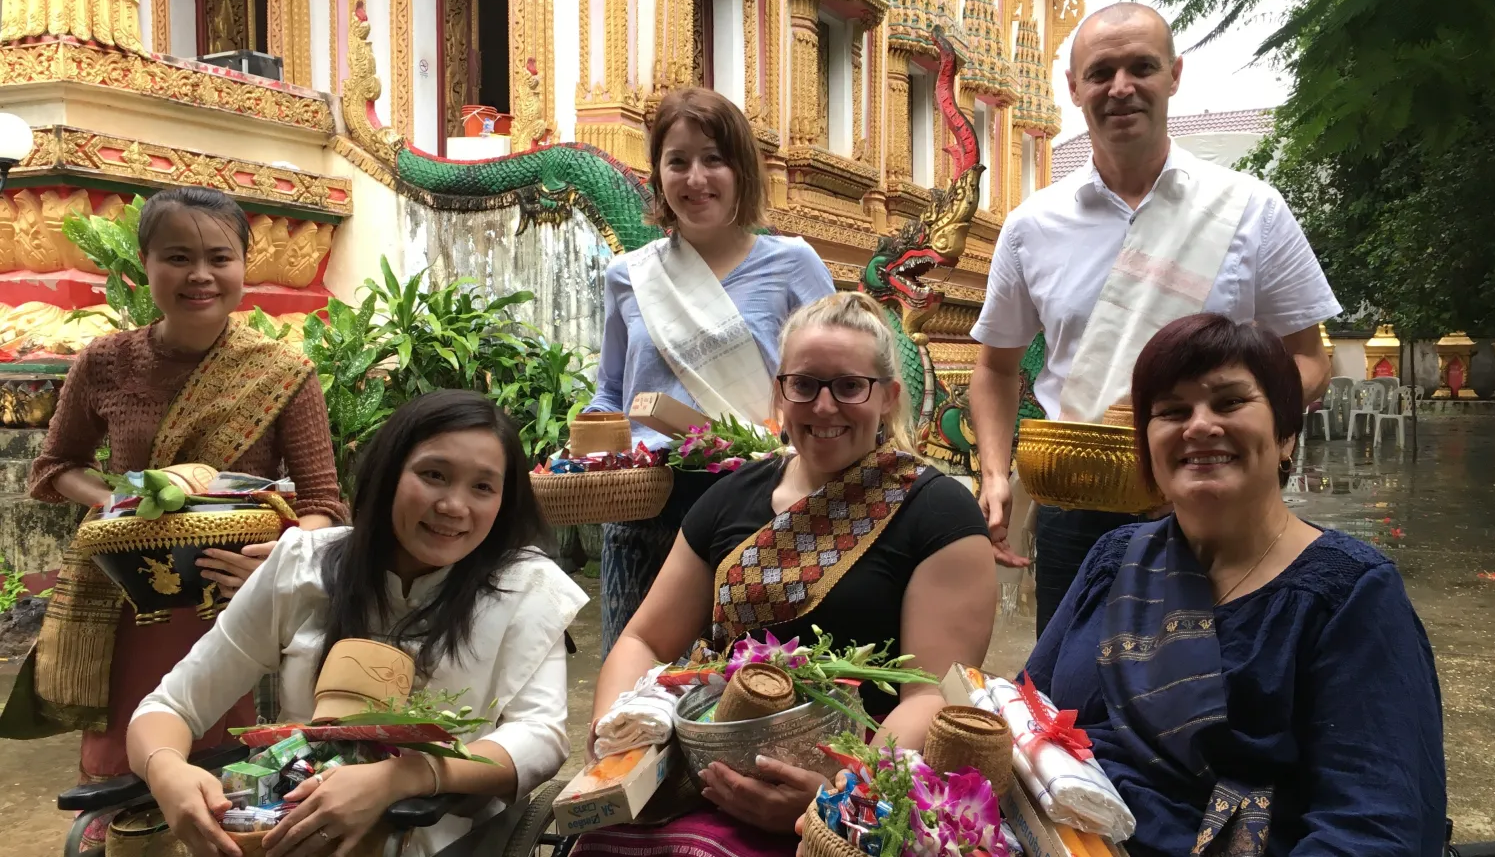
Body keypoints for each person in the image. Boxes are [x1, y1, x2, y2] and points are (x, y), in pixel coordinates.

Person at [571, 292, 997, 857]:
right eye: (804, 385)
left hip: (851, 785)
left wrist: (839, 796)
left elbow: (930, 694)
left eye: (849, 386)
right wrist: (617, 741)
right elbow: (646, 639)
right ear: (780, 391)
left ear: (889, 396)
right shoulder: (729, 499)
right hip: (702, 759)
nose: (824, 407)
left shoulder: (937, 513)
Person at [968, 2, 1343, 635]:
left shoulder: (1249, 208)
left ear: (1174, 75)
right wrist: (994, 475)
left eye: (1141, 67)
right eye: (1101, 71)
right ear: (1074, 89)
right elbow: (995, 368)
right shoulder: (1033, 225)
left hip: (1217, 491)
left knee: (1225, 690)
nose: (1121, 88)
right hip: (1078, 500)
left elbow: (1311, 360)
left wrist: (1224, 427)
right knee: (1073, 703)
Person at [1024, 314, 1446, 856]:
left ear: (1286, 433)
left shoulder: (1348, 595)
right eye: (1172, 411)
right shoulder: (1115, 559)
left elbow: (1370, 831)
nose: (1198, 426)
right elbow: (1027, 716)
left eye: (1228, 403)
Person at [127, 390, 588, 857]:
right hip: (287, 835)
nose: (453, 505)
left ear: (505, 502)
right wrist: (167, 771)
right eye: (433, 475)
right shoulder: (302, 565)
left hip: (451, 841)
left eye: (483, 487)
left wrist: (405, 776)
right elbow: (171, 706)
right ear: (388, 474)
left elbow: (539, 737)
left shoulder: (527, 588)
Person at [0, 188, 346, 802]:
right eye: (178, 257)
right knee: (127, 772)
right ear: (145, 262)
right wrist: (117, 501)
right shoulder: (105, 361)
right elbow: (55, 467)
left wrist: (282, 556)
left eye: (220, 257)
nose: (201, 275)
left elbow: (324, 503)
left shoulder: (282, 370)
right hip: (133, 595)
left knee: (238, 769)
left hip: (241, 599)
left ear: (244, 263)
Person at [587, 86, 835, 656]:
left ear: (741, 170)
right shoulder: (629, 276)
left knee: (746, 683)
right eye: (677, 161)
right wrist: (581, 449)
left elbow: (839, 374)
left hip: (756, 501)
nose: (695, 178)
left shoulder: (791, 263)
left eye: (713, 159)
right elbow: (610, 391)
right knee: (635, 683)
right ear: (658, 175)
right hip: (645, 503)